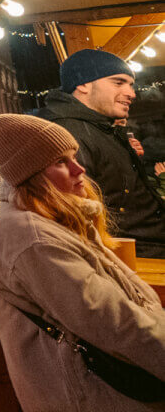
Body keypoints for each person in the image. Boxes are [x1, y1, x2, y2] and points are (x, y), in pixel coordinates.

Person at [0, 113, 165, 412]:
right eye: (61, 162)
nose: (80, 169)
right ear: (32, 175)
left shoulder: (55, 221)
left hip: (106, 406)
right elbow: (115, 322)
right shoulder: (31, 237)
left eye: (74, 157)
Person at [36, 48, 165, 258]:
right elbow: (76, 215)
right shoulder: (69, 133)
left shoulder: (101, 127)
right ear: (83, 84)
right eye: (118, 82)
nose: (131, 93)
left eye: (131, 85)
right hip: (134, 254)